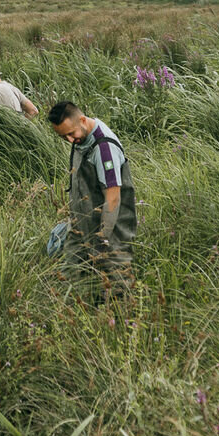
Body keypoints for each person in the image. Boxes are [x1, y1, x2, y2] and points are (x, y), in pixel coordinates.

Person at [48, 100, 137, 300]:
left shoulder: (104, 148)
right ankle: (82, 313)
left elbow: (113, 199)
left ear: (82, 119)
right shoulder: (81, 139)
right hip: (82, 223)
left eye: (71, 134)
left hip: (109, 228)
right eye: (63, 136)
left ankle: (122, 320)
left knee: (117, 281)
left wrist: (102, 238)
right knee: (73, 272)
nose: (70, 140)